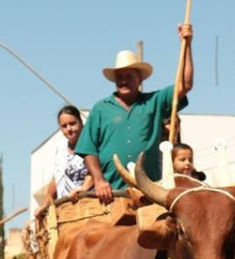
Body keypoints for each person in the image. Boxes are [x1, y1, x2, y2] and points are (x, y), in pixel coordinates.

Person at [75, 23, 194, 203]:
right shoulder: (100, 108)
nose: (123, 81)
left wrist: (187, 44)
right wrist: (99, 181)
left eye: (129, 76)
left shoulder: (154, 101)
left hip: (151, 191)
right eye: (119, 77)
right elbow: (88, 149)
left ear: (139, 79)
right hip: (112, 193)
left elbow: (185, 85)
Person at [35, 106, 94, 217]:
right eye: (64, 126)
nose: (69, 129)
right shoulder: (61, 148)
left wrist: (83, 189)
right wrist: (46, 203)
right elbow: (56, 177)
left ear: (81, 122)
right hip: (65, 210)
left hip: (87, 207)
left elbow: (95, 171)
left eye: (72, 123)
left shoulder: (91, 143)